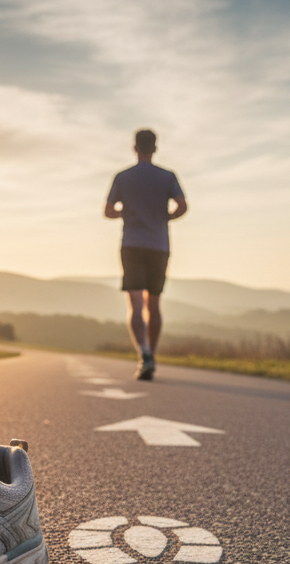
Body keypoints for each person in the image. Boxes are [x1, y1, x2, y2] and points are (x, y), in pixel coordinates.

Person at [104, 128, 186, 380]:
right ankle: (152, 353)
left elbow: (108, 211)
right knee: (154, 303)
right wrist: (165, 218)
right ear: (155, 148)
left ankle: (144, 353)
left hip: (132, 244)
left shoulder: (123, 177)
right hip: (159, 245)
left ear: (134, 148)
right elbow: (182, 206)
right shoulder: (167, 176)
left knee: (136, 303)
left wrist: (127, 212)